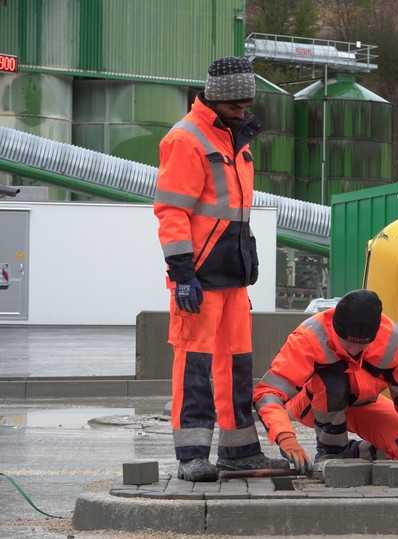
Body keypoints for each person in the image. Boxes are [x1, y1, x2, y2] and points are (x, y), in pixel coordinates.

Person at [154, 56, 273, 481]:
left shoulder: (235, 141)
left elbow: (234, 215)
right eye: (237, 103)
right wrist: (182, 273)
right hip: (200, 278)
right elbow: (171, 212)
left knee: (236, 365)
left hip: (234, 277)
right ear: (218, 99)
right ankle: (191, 457)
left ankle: (239, 453)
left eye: (247, 103)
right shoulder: (186, 139)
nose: (244, 110)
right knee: (197, 366)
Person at [253, 289, 398, 472]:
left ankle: (354, 452)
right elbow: (267, 393)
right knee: (334, 383)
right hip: (312, 403)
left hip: (365, 404)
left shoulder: (395, 343)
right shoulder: (310, 337)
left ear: (374, 335)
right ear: (335, 327)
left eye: (361, 345)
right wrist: (285, 437)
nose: (353, 350)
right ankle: (332, 451)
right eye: (346, 342)